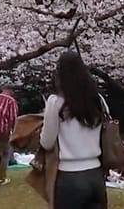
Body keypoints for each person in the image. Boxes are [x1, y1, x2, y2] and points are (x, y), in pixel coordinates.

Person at [38, 51, 105, 209]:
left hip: (69, 176)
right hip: (95, 174)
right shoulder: (98, 100)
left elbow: (47, 142)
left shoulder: (56, 103)